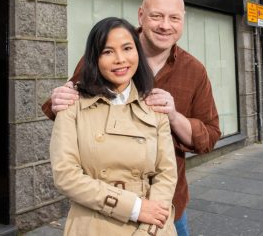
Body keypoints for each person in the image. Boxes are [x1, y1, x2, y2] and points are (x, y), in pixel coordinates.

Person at [43, 0, 221, 236]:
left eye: (174, 18)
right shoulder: (102, 54)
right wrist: (58, 98)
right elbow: (70, 108)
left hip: (166, 205)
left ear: (183, 21)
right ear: (141, 16)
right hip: (101, 209)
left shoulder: (194, 70)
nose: (165, 25)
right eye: (156, 16)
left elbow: (210, 137)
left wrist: (173, 116)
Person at [50, 17, 177, 235]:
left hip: (151, 223)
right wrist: (134, 208)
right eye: (107, 52)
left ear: (138, 52)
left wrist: (150, 225)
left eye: (127, 48)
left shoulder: (154, 105)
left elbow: (166, 174)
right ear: (94, 59)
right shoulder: (72, 106)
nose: (120, 59)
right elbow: (66, 175)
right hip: (92, 221)